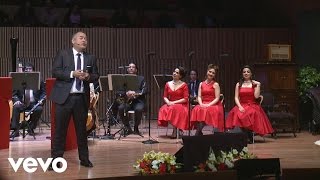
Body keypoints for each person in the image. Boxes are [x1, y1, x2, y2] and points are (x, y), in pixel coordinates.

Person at [50, 31, 99, 168]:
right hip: (64, 99)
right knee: (60, 131)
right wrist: (73, 74)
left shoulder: (91, 57)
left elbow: (96, 75)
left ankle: (84, 159)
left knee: (82, 132)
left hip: (81, 99)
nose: (84, 40)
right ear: (73, 41)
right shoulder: (63, 54)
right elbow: (56, 71)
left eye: (85, 38)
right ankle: (55, 161)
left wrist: (88, 77)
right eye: (81, 38)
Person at [226, 65, 274, 143]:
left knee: (250, 113)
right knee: (238, 113)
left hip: (252, 105)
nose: (246, 73)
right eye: (244, 72)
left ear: (251, 74)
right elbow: (236, 98)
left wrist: (258, 85)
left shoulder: (254, 84)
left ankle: (248, 135)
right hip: (242, 104)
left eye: (248, 72)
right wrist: (240, 106)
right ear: (242, 74)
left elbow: (256, 96)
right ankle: (246, 135)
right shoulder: (238, 84)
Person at [10, 62, 46, 138]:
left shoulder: (39, 80)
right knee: (16, 107)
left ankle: (31, 128)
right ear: (24, 71)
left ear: (33, 71)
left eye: (30, 69)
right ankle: (15, 130)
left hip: (34, 103)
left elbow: (43, 92)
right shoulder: (19, 80)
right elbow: (14, 93)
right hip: (22, 103)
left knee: (39, 109)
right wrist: (16, 100)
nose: (28, 70)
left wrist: (40, 100)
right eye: (26, 69)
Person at [191, 64, 224, 135]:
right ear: (207, 72)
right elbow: (199, 96)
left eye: (213, 73)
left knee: (205, 111)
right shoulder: (201, 84)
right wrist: (201, 104)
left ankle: (197, 133)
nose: (211, 74)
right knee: (197, 109)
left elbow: (217, 98)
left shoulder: (216, 84)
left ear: (215, 75)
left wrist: (208, 104)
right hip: (203, 103)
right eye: (210, 72)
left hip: (213, 104)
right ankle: (199, 132)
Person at [158, 66, 189, 138]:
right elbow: (165, 96)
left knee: (173, 109)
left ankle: (175, 130)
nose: (174, 73)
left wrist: (173, 102)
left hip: (181, 104)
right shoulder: (167, 84)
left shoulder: (184, 85)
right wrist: (168, 102)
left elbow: (185, 99)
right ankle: (177, 129)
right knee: (163, 109)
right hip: (170, 103)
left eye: (177, 73)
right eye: (174, 72)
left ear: (180, 76)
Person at [116, 63, 147, 135]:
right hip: (127, 101)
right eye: (129, 67)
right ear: (127, 69)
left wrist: (135, 93)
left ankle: (136, 128)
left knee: (139, 109)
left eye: (133, 67)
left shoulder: (141, 78)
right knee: (121, 108)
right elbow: (119, 91)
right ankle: (128, 128)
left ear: (136, 70)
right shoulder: (123, 79)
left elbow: (145, 90)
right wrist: (126, 93)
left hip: (138, 101)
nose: (131, 68)